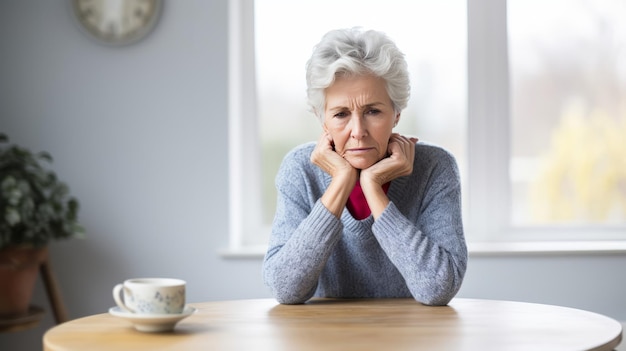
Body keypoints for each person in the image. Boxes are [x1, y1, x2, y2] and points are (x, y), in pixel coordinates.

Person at [262, 27, 467, 305]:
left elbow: (439, 288)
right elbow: (285, 288)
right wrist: (340, 182)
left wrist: (373, 189)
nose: (358, 131)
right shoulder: (300, 169)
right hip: (322, 339)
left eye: (373, 111)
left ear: (396, 114)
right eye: (341, 114)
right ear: (323, 120)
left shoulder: (434, 167)